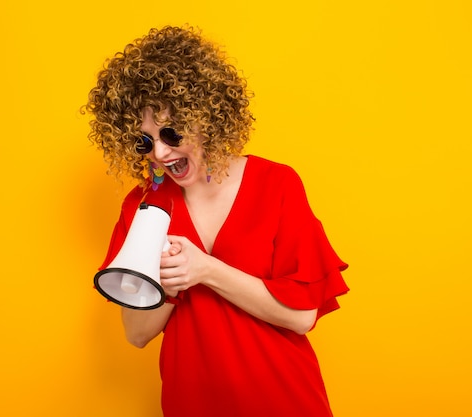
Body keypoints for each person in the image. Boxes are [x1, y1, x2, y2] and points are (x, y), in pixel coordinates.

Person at [84, 25, 349, 417]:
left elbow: (301, 317)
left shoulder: (276, 184)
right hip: (193, 404)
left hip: (286, 400)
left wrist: (205, 270)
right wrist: (169, 280)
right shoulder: (141, 206)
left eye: (171, 133)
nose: (158, 152)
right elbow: (136, 333)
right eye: (145, 140)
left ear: (205, 118)